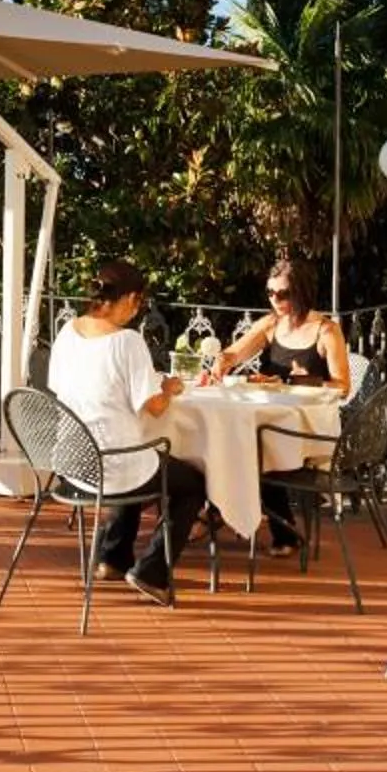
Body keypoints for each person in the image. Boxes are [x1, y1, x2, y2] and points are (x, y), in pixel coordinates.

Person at [45, 258, 205, 607]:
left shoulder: (67, 332)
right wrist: (169, 388)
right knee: (192, 483)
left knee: (136, 453)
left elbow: (59, 386)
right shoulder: (127, 342)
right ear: (132, 298)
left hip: (72, 462)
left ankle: (113, 559)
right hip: (112, 465)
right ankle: (152, 572)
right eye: (140, 302)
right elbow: (156, 408)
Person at [201, 256, 353, 554]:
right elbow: (234, 353)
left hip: (305, 425)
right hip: (269, 417)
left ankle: (228, 515)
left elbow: (342, 387)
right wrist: (221, 362)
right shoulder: (272, 324)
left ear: (301, 292)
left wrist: (305, 381)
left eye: (283, 294)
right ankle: (221, 510)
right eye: (270, 293)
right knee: (228, 436)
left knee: (256, 446)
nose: (275, 300)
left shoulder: (325, 330)